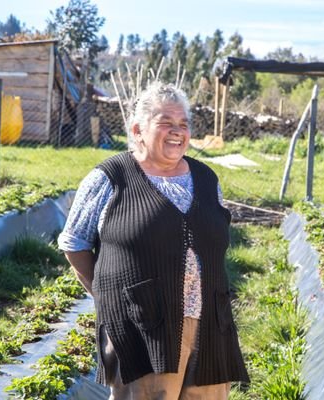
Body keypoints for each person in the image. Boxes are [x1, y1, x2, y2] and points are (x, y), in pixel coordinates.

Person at [58, 81, 249, 399]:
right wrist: (110, 299)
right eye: (166, 123)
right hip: (143, 328)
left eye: (183, 125)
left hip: (210, 327)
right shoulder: (109, 178)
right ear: (137, 129)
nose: (177, 132)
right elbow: (75, 243)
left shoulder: (206, 179)